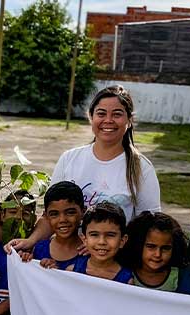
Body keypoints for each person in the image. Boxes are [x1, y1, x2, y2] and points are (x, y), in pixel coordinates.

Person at [9, 85, 160, 252]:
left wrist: (101, 247)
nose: (108, 120)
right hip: (65, 258)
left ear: (129, 120)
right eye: (101, 113)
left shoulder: (142, 168)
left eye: (117, 114)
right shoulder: (69, 159)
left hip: (110, 265)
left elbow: (148, 227)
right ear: (91, 117)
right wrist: (30, 241)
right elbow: (51, 215)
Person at [19, 181, 85, 270]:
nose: (62, 220)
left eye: (70, 212)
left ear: (83, 212)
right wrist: (25, 260)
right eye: (54, 214)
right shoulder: (39, 249)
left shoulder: (90, 253)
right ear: (46, 216)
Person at [66, 203, 133, 284]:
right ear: (84, 239)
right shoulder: (72, 272)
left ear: (122, 241)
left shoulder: (127, 281)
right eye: (94, 235)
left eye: (110, 235)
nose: (102, 242)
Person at [119, 211, 187, 291]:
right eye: (151, 246)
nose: (158, 254)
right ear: (138, 244)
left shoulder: (179, 277)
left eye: (165, 248)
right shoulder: (124, 273)